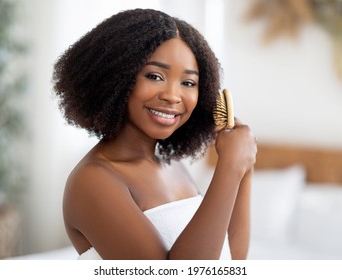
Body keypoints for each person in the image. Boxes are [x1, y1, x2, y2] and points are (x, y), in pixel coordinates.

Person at [53, 8, 257, 260]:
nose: (172, 95)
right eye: (155, 76)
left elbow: (229, 258)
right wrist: (229, 166)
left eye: (188, 83)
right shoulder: (93, 180)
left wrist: (243, 169)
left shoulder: (172, 165)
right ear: (116, 77)